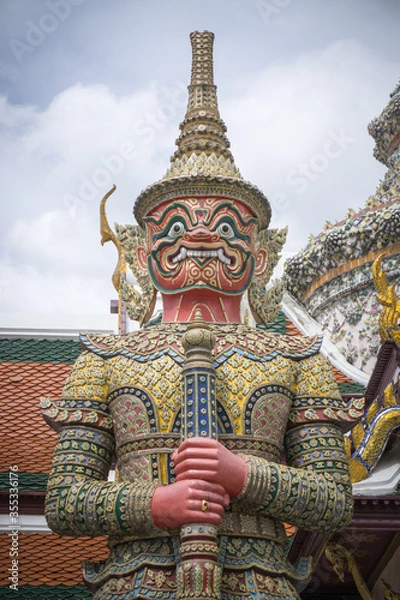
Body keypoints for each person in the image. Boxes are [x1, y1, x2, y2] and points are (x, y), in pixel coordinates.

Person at [42, 31, 362, 600]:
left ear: (260, 254)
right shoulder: (105, 359)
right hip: (138, 581)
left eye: (225, 224)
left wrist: (244, 476)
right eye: (174, 224)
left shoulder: (295, 359)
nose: (197, 234)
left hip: (258, 582)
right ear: (141, 252)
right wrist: (155, 503)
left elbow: (333, 501)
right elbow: (65, 500)